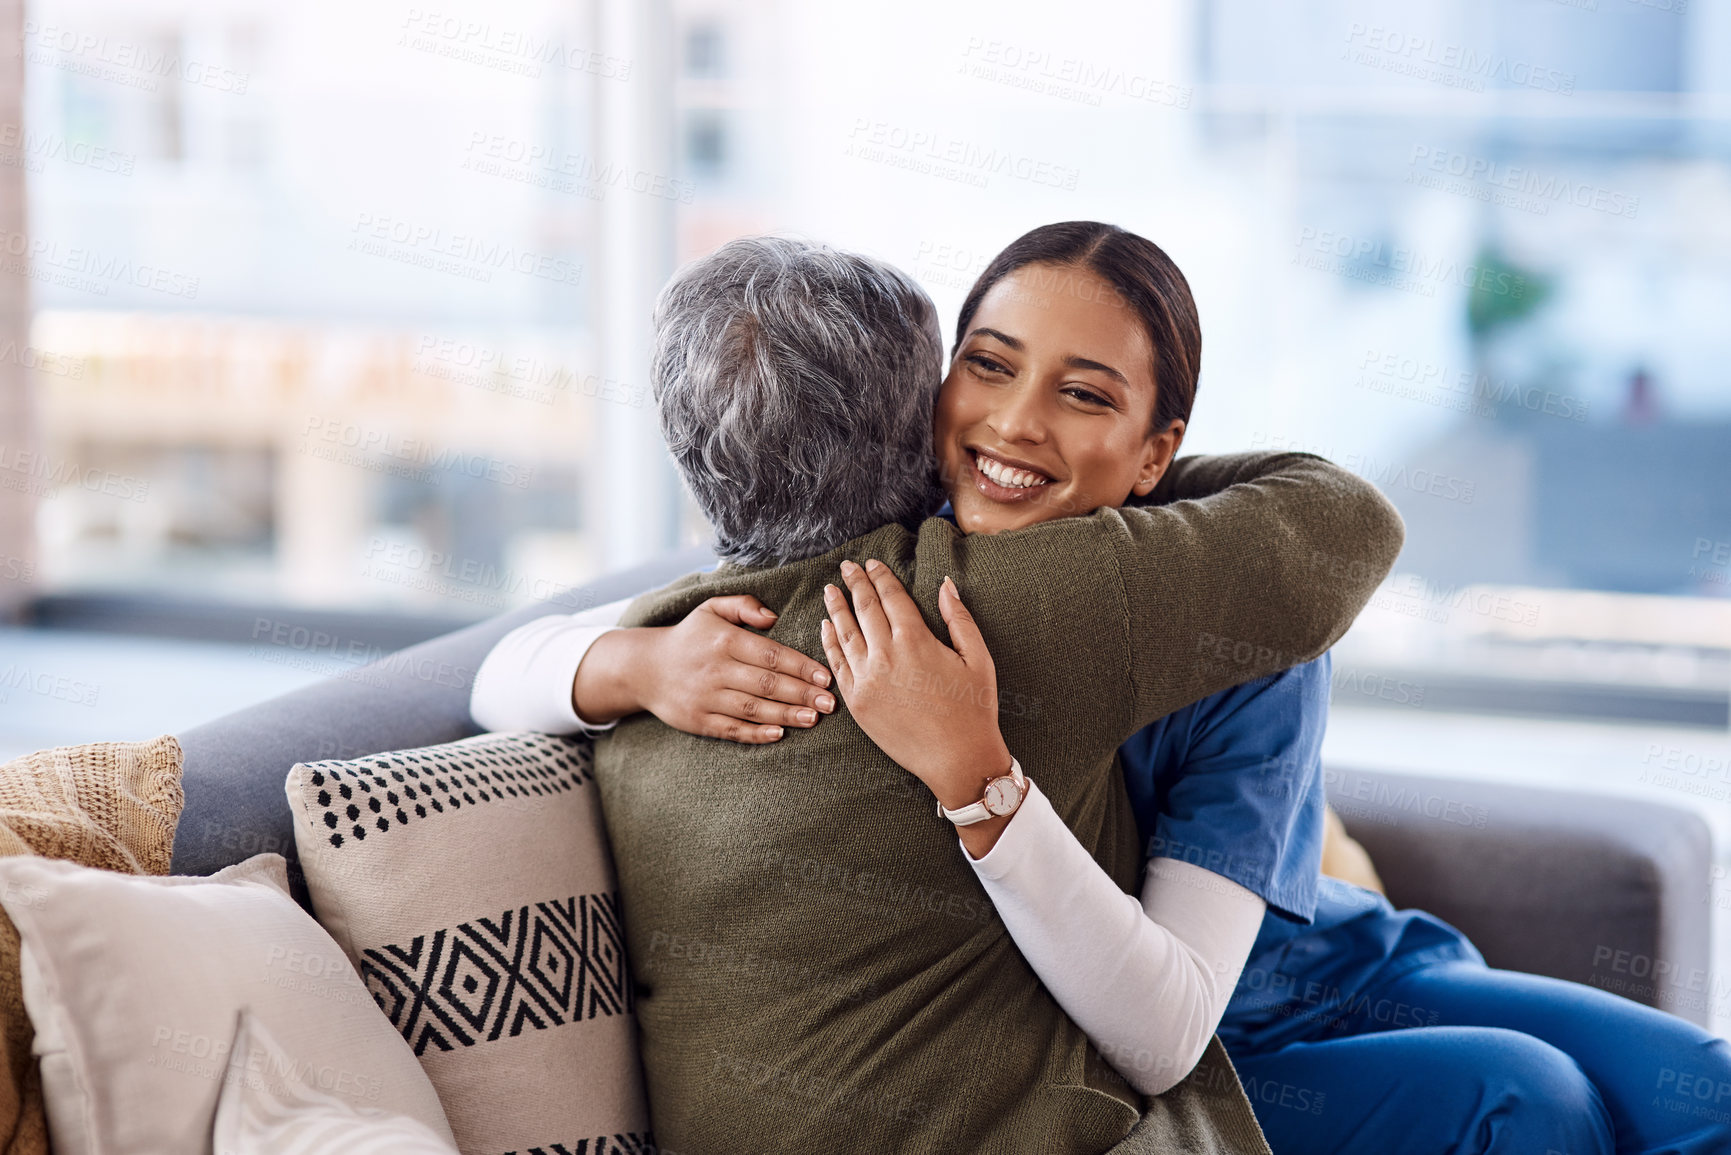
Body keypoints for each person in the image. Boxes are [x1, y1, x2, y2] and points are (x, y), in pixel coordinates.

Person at [477, 234, 1404, 1155]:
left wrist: (1117, 482)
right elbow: (1342, 521)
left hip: (1301, 942)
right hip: (1186, 999)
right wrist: (640, 665)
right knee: (1526, 1080)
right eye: (987, 369)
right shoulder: (746, 619)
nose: (1013, 424)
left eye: (1083, 394)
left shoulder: (704, 617)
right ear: (922, 404)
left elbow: (493, 673)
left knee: (1525, 1047)